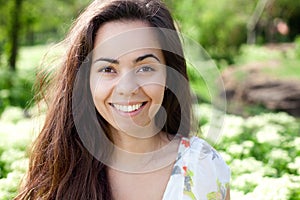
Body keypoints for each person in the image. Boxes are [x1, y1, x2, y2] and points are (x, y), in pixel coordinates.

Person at [16, 0, 230, 199]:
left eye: (145, 67)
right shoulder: (57, 171)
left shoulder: (203, 167)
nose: (127, 88)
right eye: (108, 69)